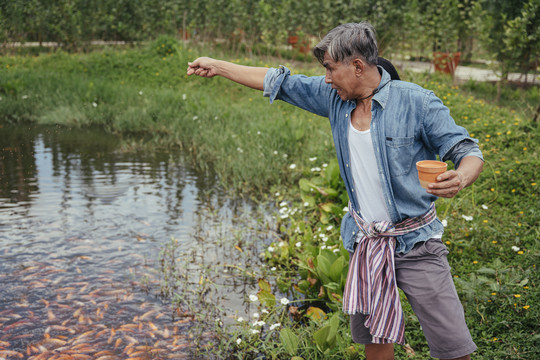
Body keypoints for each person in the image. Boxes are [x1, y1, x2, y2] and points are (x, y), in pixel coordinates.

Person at [187, 21, 483, 360]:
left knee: (453, 346)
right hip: (367, 243)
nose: (326, 78)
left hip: (416, 243)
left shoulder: (417, 102)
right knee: (376, 340)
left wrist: (460, 177)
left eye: (330, 68)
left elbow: (467, 150)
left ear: (357, 66)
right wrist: (218, 66)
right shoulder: (334, 98)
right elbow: (278, 82)